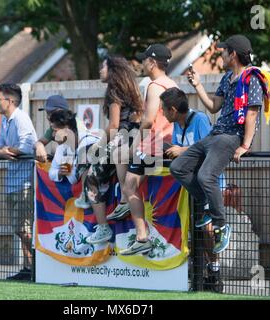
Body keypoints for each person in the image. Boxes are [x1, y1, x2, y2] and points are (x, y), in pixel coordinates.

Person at [170, 34, 267, 255]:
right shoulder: (227, 78)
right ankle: (207, 204)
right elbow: (214, 107)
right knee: (178, 167)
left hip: (231, 137)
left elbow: (252, 114)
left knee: (206, 176)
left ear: (233, 54)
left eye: (224, 52)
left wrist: (244, 146)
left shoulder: (252, 78)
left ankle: (221, 224)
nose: (221, 55)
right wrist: (197, 86)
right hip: (216, 134)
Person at [160, 87, 223, 291]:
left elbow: (209, 147)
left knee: (207, 230)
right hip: (193, 185)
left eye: (163, 109)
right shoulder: (178, 124)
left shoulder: (201, 119)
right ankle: (202, 271)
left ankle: (215, 271)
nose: (162, 113)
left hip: (209, 183)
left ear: (172, 109)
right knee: (196, 229)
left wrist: (181, 150)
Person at [119, 44, 178, 256]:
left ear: (152, 62)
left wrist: (134, 145)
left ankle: (142, 236)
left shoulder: (154, 85)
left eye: (145, 59)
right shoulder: (172, 84)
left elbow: (148, 119)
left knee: (129, 187)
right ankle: (126, 205)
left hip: (153, 145)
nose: (142, 63)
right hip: (168, 143)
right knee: (130, 186)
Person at [47, 110, 114, 244]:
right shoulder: (63, 148)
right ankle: (86, 198)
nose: (53, 135)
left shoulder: (87, 140)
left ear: (66, 129)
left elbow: (77, 174)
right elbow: (66, 177)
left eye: (55, 130)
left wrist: (70, 170)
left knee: (88, 173)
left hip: (111, 170)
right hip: (99, 187)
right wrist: (60, 173)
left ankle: (103, 226)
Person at [89, 55, 143, 220]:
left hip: (121, 136)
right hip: (134, 135)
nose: (100, 70)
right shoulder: (130, 88)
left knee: (91, 174)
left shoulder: (113, 91)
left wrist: (97, 146)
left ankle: (102, 225)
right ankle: (123, 198)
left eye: (103, 67)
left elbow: (114, 125)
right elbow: (139, 115)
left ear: (112, 70)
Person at [0, 83, 37, 281]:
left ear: (10, 101)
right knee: (19, 229)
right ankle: (28, 268)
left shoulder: (21, 119)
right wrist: (3, 151)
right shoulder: (5, 121)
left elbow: (27, 147)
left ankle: (37, 264)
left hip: (25, 183)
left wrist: (6, 151)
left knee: (24, 228)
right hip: (12, 182)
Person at [34, 95, 86, 163]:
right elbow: (40, 142)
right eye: (47, 113)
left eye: (52, 112)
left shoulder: (77, 125)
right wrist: (39, 146)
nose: (48, 117)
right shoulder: (54, 127)